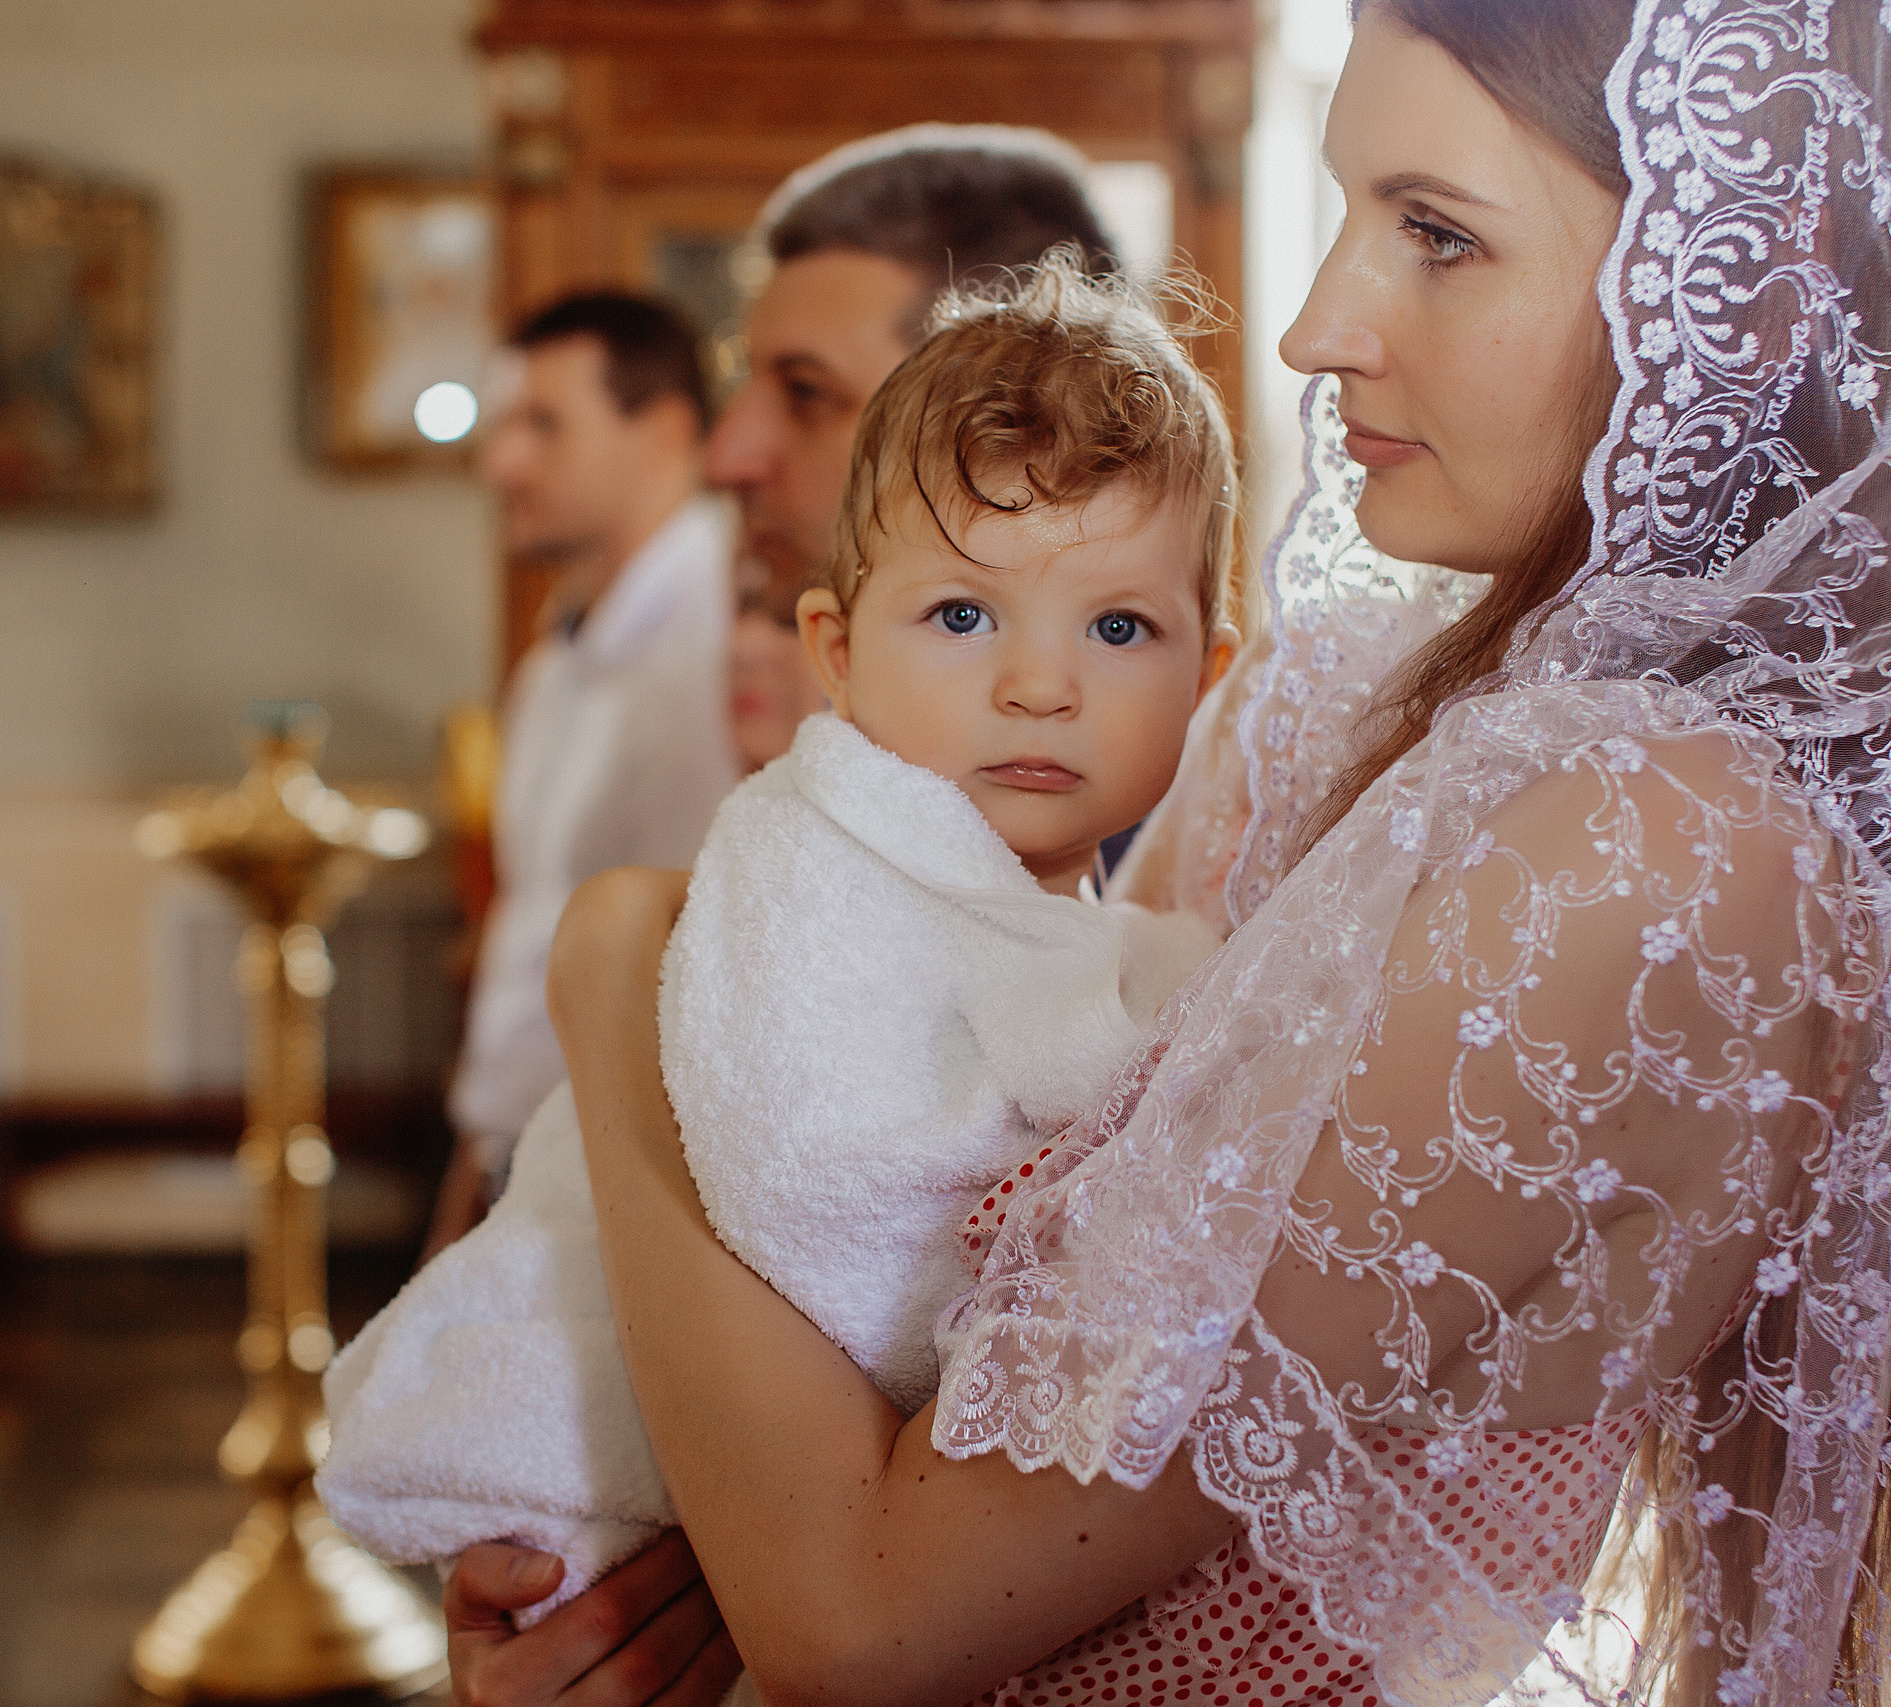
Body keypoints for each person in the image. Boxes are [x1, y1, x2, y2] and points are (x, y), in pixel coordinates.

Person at [529, 2, 1891, 1704]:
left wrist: (617, 973)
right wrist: (640, 1576)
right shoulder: (1342, 706)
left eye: (1436, 234)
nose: (1313, 324)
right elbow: (938, 1326)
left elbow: (867, 1616)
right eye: (1353, 213)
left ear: (1736, 292)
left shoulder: (1665, 842)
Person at [320, 259, 1235, 1610]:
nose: (1042, 684)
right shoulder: (811, 860)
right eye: (962, 615)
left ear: (1206, 673)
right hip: (769, 1472)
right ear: (837, 646)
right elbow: (813, 1184)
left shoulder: (1074, 911)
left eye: (1119, 625)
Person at [431, 127, 1121, 1702]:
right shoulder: (814, 765)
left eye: (799, 394)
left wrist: (612, 957)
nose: (732, 448)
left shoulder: (1134, 869)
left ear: (1004, 411)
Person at [425, 291, 736, 1255]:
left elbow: (698, 966)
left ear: (665, 433)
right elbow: (531, 928)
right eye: (502, 425)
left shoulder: (719, 649)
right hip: (519, 1145)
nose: (501, 463)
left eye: (543, 425)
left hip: (624, 1182)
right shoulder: (562, 647)